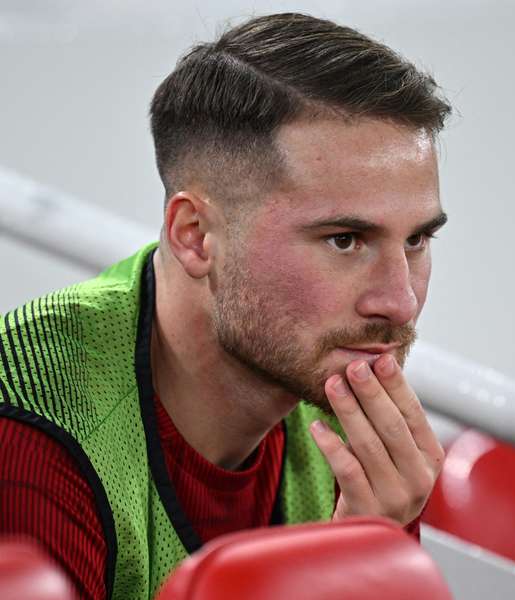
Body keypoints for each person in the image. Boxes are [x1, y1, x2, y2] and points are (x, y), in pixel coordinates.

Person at [0, 12, 451, 600]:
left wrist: (370, 548)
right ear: (195, 236)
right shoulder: (30, 433)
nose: (399, 301)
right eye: (344, 240)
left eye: (416, 239)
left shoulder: (343, 395)